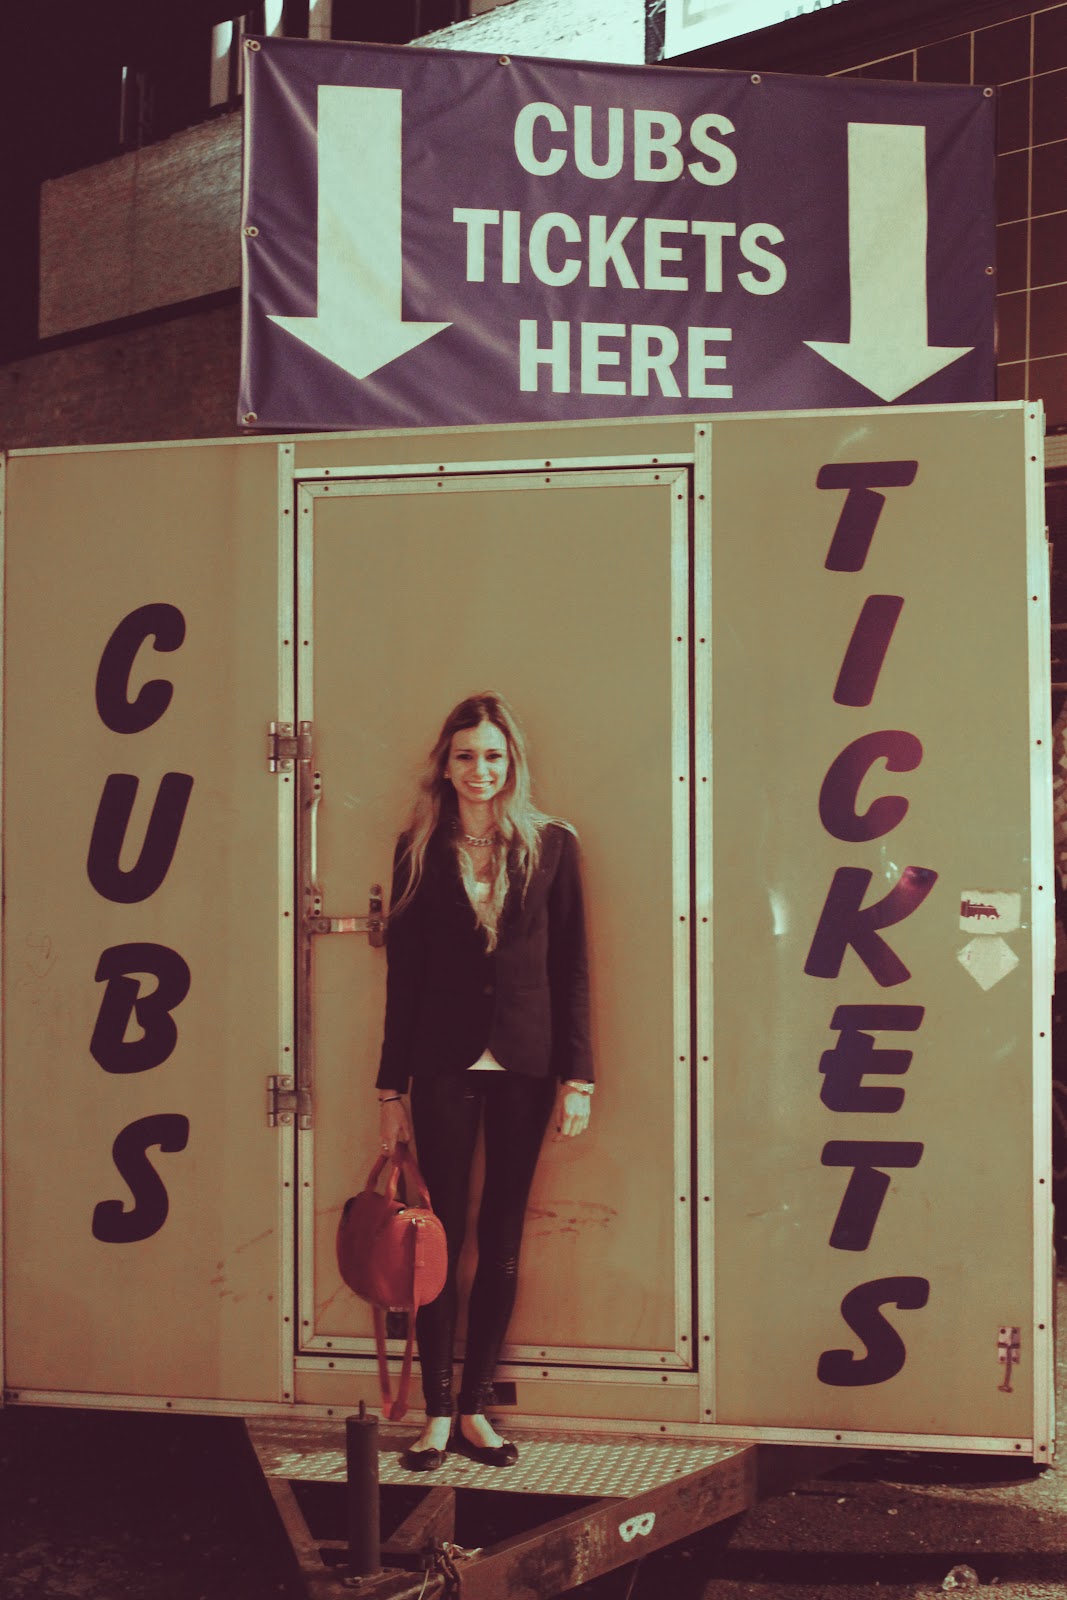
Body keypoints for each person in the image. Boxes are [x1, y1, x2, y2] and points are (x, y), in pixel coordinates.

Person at [376, 692, 594, 1470]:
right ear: (444, 764)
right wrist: (389, 1090)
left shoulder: (552, 844)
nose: (479, 769)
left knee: (501, 1237)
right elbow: (404, 976)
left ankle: (475, 1411)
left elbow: (571, 966)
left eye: (493, 755)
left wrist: (578, 1077)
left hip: (526, 1066)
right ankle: (435, 1413)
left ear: (512, 763)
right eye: (465, 755)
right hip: (441, 1064)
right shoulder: (417, 848)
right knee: (434, 1239)